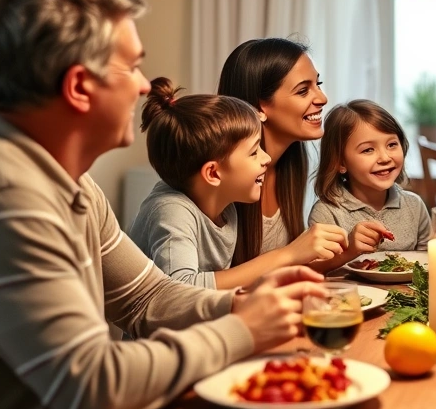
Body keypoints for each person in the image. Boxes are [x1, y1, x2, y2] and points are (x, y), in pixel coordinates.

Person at [0, 0, 325, 409]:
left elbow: (145, 297)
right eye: (131, 66)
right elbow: (92, 388)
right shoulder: (6, 195)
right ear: (79, 87)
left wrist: (242, 305)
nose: (143, 86)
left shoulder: (69, 181)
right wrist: (242, 331)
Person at [130, 78, 336, 289]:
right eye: (254, 152)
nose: (266, 159)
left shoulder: (226, 207)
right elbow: (180, 290)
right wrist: (287, 254)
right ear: (213, 173)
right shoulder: (172, 211)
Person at [218, 39, 348, 270]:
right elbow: (189, 289)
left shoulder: (290, 165)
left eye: (318, 84)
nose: (322, 98)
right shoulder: (222, 179)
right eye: (303, 90)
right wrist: (291, 253)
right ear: (259, 108)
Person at [311, 100, 430, 255]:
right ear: (340, 162)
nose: (385, 158)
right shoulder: (327, 213)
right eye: (368, 150)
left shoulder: (415, 206)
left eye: (392, 145)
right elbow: (315, 269)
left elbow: (428, 261)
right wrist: (350, 250)